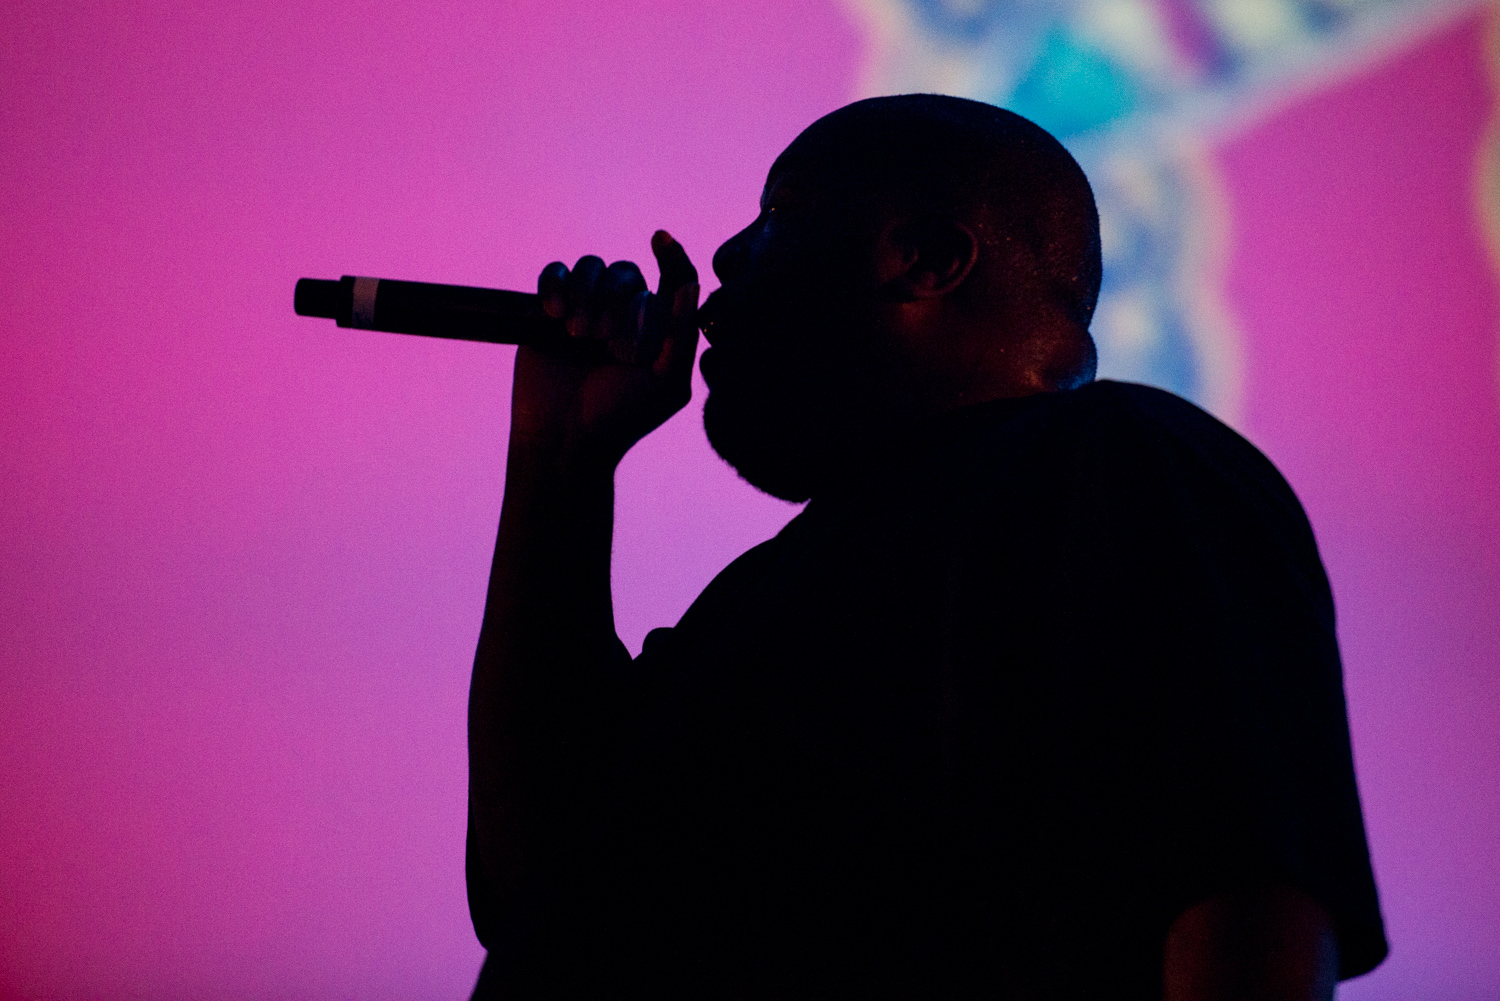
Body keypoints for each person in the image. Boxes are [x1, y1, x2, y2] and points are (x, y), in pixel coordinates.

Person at [465, 95, 1386, 1000]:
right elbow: (531, 881)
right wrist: (561, 460)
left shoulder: (1114, 466)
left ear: (931, 261)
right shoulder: (758, 593)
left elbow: (1240, 894)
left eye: (779, 214)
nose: (726, 257)